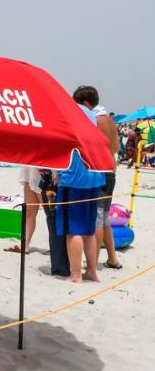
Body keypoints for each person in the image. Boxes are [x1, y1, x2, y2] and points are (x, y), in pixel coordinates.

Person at [73, 86, 122, 270]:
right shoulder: (110, 119)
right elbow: (116, 148)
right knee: (105, 216)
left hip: (100, 170)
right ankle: (112, 258)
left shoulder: (94, 119)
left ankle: (93, 263)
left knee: (98, 218)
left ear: (85, 103)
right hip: (112, 169)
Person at [56, 101, 106, 283]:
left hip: (74, 180)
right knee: (88, 229)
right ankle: (92, 271)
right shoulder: (92, 122)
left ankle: (76, 274)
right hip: (94, 177)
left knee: (73, 230)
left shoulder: (69, 120)